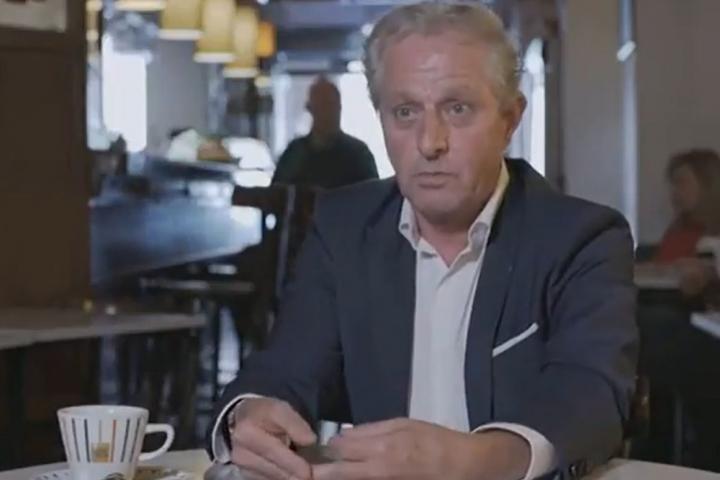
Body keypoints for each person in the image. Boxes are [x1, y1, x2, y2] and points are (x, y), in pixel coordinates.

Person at [209, 2, 637, 480]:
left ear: (510, 119)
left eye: (457, 108)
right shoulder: (343, 228)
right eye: (405, 111)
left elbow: (591, 393)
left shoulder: (581, 238)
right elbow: (287, 365)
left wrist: (473, 460)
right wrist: (249, 413)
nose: (430, 142)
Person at [271, 77, 379, 190]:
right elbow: (276, 195)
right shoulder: (295, 154)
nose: (328, 113)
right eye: (322, 105)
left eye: (331, 105)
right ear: (310, 109)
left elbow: (374, 196)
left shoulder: (358, 154)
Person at [653, 150, 720, 297]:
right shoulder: (677, 230)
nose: (674, 192)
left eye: (681, 183)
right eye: (673, 184)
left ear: (707, 184)